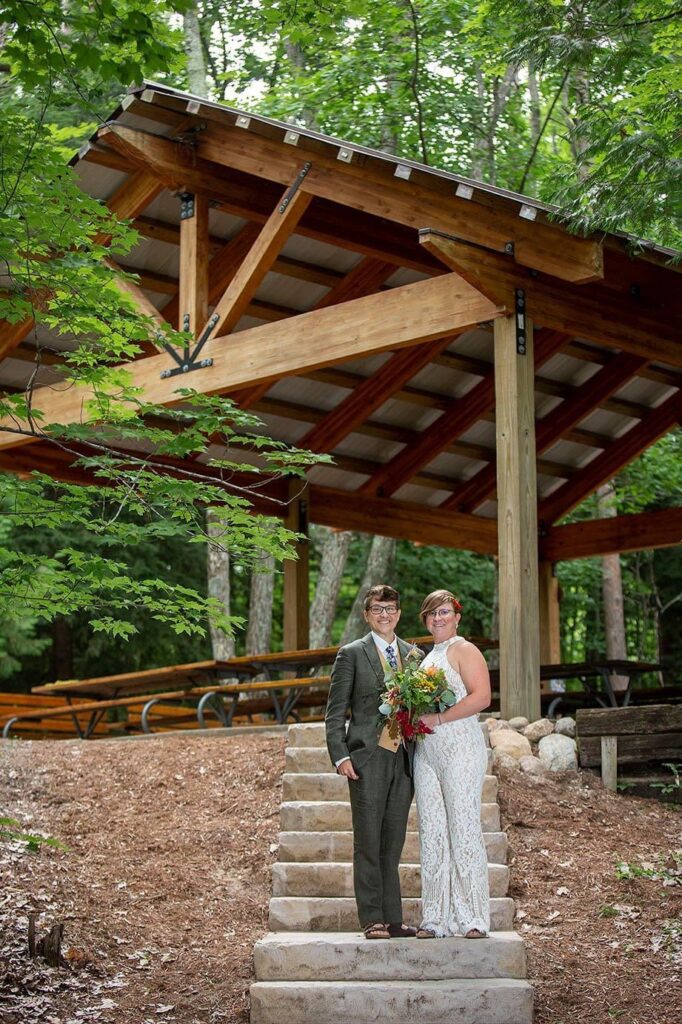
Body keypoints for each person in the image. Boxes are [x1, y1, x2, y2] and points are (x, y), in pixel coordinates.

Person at [325, 584, 417, 941]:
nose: (384, 614)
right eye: (377, 609)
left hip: (404, 759)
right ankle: (372, 918)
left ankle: (394, 918)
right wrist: (340, 755)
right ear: (367, 615)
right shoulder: (351, 654)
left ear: (398, 613)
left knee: (392, 841)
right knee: (368, 840)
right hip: (366, 757)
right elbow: (335, 713)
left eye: (390, 608)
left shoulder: (413, 656)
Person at [414, 588, 492, 939]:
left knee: (463, 828)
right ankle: (435, 917)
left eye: (444, 612)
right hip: (427, 753)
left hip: (460, 747)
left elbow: (482, 697)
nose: (438, 618)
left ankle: (473, 917)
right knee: (432, 834)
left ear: (457, 616)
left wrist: (441, 719)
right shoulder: (427, 658)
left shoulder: (464, 650)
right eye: (432, 613)